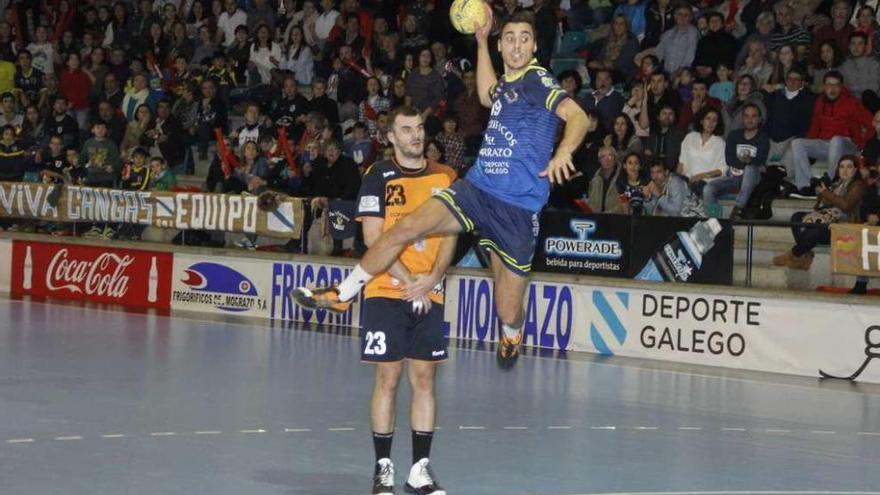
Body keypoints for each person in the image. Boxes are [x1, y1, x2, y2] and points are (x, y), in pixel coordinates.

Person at [292, 10, 589, 370]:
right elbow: (484, 94)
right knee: (401, 229)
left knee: (507, 309)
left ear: (535, 45)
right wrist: (480, 41)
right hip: (477, 190)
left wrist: (563, 153)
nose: (516, 45)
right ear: (501, 43)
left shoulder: (536, 80)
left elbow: (578, 117)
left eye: (524, 38)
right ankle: (344, 294)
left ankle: (512, 330)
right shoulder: (509, 85)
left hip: (517, 211)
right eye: (509, 38)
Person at [355, 107, 457, 495]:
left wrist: (432, 277)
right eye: (406, 129)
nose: (416, 135)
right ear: (391, 138)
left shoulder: (445, 176)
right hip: (387, 288)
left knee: (425, 378)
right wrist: (409, 278)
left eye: (419, 128)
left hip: (429, 289)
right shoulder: (377, 175)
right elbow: (372, 239)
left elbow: (451, 232)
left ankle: (420, 470)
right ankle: (383, 468)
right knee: (388, 377)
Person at [773, 155, 868, 270]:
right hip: (827, 222)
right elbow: (820, 208)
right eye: (842, 167)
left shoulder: (858, 185)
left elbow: (846, 205)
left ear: (855, 170)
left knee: (814, 232)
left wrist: (826, 193)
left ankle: (792, 255)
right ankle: (805, 256)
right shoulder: (836, 184)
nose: (845, 170)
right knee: (797, 217)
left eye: (849, 167)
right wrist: (822, 194)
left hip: (843, 227)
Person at [790, 71, 874, 196]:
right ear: (824, 86)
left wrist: (863, 149)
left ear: (841, 87)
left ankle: (830, 180)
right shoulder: (820, 102)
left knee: (836, 140)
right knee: (797, 143)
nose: (832, 89)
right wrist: (809, 149)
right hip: (826, 145)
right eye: (829, 85)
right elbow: (815, 126)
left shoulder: (852, 102)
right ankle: (805, 186)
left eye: (836, 85)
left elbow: (872, 123)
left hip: (847, 145)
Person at [703, 103, 770, 219]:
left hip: (752, 177)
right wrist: (749, 160)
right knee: (708, 188)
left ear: (759, 119)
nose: (750, 120)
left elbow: (760, 159)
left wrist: (746, 162)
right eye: (746, 116)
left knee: (750, 169)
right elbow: (730, 159)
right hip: (732, 177)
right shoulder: (734, 136)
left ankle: (738, 207)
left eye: (753, 116)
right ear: (743, 118)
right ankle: (714, 220)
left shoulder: (763, 138)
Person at [678, 107, 726, 197]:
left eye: (714, 120)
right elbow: (682, 162)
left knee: (695, 187)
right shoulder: (690, 137)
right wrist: (675, 179)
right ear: (701, 121)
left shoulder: (720, 142)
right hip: (687, 179)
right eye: (708, 118)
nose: (711, 123)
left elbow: (721, 169)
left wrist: (701, 176)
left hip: (705, 182)